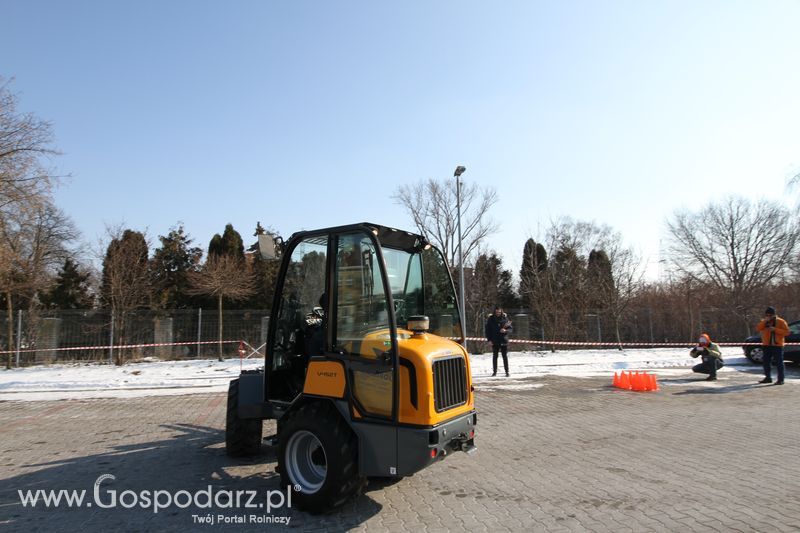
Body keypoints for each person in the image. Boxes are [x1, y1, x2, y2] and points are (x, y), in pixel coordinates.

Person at [756, 306, 790, 385]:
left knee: (779, 363)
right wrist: (764, 322)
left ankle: (781, 379)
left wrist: (775, 329)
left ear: (774, 315)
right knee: (766, 362)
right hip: (766, 345)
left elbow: (787, 332)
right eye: (767, 315)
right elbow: (758, 328)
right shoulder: (764, 322)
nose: (768, 317)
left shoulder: (781, 321)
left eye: (770, 315)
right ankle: (768, 377)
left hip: (777, 345)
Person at [485, 306, 512, 377]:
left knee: (504, 356)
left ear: (501, 312)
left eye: (499, 312)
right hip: (494, 340)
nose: (498, 313)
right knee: (495, 356)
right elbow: (488, 331)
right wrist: (489, 340)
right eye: (497, 312)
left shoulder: (505, 318)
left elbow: (510, 329)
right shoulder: (491, 319)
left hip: (503, 340)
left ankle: (507, 372)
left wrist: (505, 330)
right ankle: (494, 372)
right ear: (494, 312)